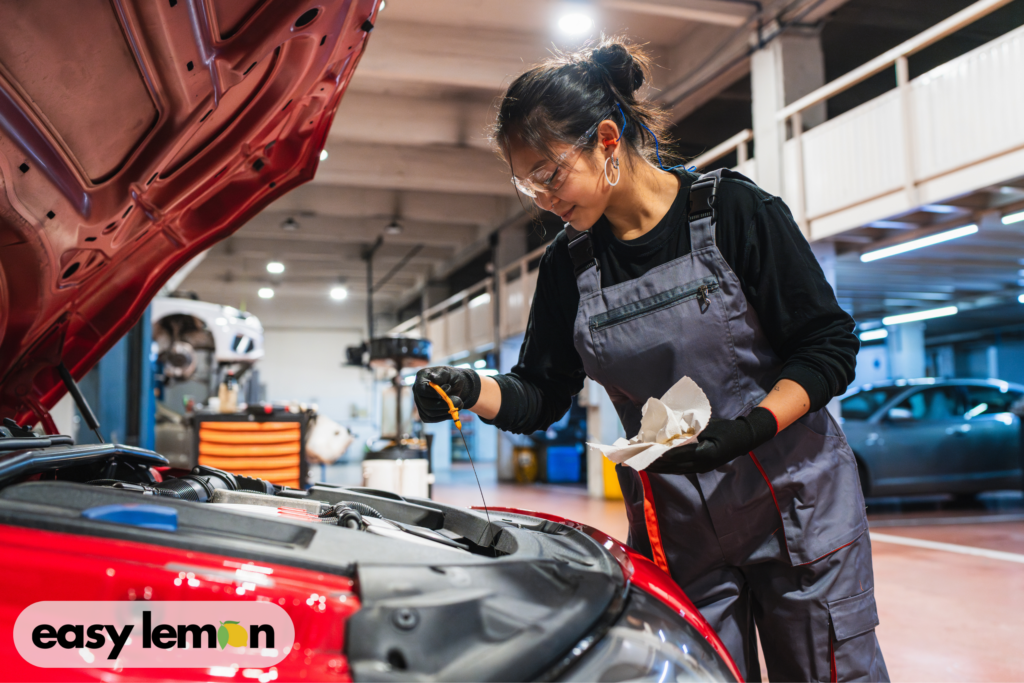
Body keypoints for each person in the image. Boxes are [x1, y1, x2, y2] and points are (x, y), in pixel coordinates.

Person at [413, 36, 887, 682]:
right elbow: (541, 392)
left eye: (552, 174)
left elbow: (828, 344)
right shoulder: (567, 267)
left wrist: (750, 427)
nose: (547, 200)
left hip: (798, 509)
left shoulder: (734, 213)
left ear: (607, 139)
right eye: (531, 187)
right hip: (681, 530)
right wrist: (469, 388)